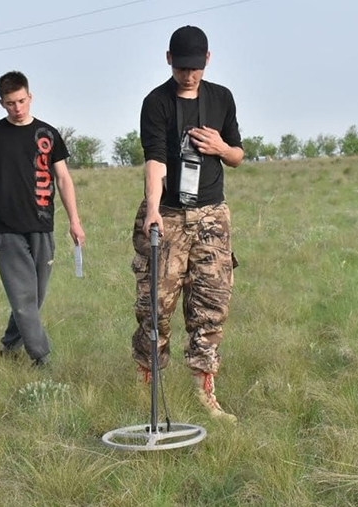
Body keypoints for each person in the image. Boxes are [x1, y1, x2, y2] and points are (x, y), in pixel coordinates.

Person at [131, 26, 244, 421]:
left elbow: (237, 154)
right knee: (155, 306)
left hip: (212, 214)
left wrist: (222, 148)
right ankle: (150, 388)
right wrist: (153, 209)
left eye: (195, 67)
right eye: (182, 68)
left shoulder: (221, 98)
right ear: (169, 60)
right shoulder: (156, 102)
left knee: (212, 304)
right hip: (170, 214)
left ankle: (204, 392)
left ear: (207, 61)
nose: (189, 75)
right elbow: (155, 159)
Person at [0, 70, 85, 366]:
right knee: (22, 298)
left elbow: (63, 178)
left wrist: (75, 220)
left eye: (21, 101)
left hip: (42, 224)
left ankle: (9, 345)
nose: (17, 108)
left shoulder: (48, 133)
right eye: (10, 103)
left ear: (30, 97)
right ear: (1, 103)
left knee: (34, 296)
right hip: (5, 227)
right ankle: (41, 357)